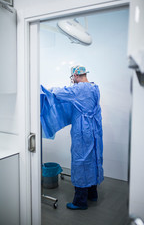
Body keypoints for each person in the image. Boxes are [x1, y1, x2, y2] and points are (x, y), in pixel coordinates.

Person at [41, 65, 104, 210]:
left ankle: (80, 202)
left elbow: (58, 92)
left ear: (75, 76)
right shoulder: (95, 88)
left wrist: (44, 89)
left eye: (72, 78)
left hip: (83, 132)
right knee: (93, 160)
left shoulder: (77, 89)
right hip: (95, 131)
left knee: (80, 162)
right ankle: (92, 194)